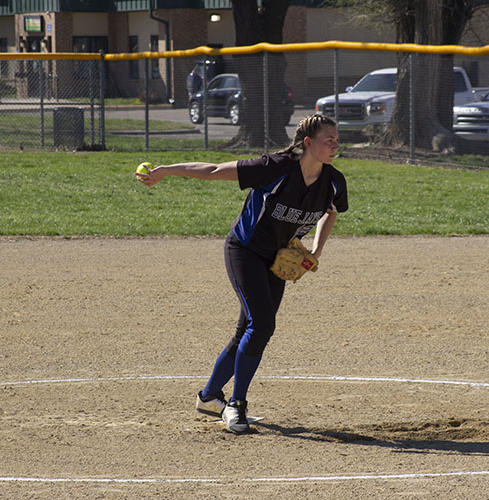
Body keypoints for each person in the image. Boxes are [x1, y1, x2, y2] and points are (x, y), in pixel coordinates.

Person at [135, 114, 348, 434]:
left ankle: (208, 397)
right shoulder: (275, 168)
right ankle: (237, 405)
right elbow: (214, 170)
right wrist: (166, 170)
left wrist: (316, 251)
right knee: (261, 324)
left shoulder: (333, 181)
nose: (335, 145)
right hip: (244, 250)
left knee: (249, 330)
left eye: (336, 140)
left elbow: (330, 212)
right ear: (308, 143)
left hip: (277, 258)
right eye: (328, 140)